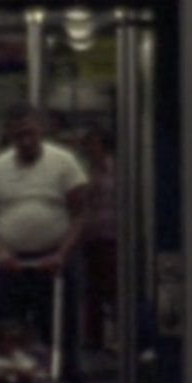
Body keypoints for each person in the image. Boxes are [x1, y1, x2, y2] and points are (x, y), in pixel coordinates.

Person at [0, 102, 101, 383]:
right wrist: (0, 252)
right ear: (10, 137)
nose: (26, 141)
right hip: (11, 266)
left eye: (30, 133)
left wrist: (62, 254)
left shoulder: (64, 163)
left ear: (40, 131)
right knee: (9, 354)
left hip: (55, 266)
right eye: (18, 136)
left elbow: (80, 214)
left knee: (62, 350)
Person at [77, 126, 120, 353]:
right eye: (88, 145)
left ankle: (118, 336)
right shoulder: (85, 172)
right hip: (92, 236)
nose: (91, 149)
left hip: (114, 235)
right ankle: (93, 336)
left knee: (115, 288)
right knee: (92, 288)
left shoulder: (118, 169)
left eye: (94, 143)